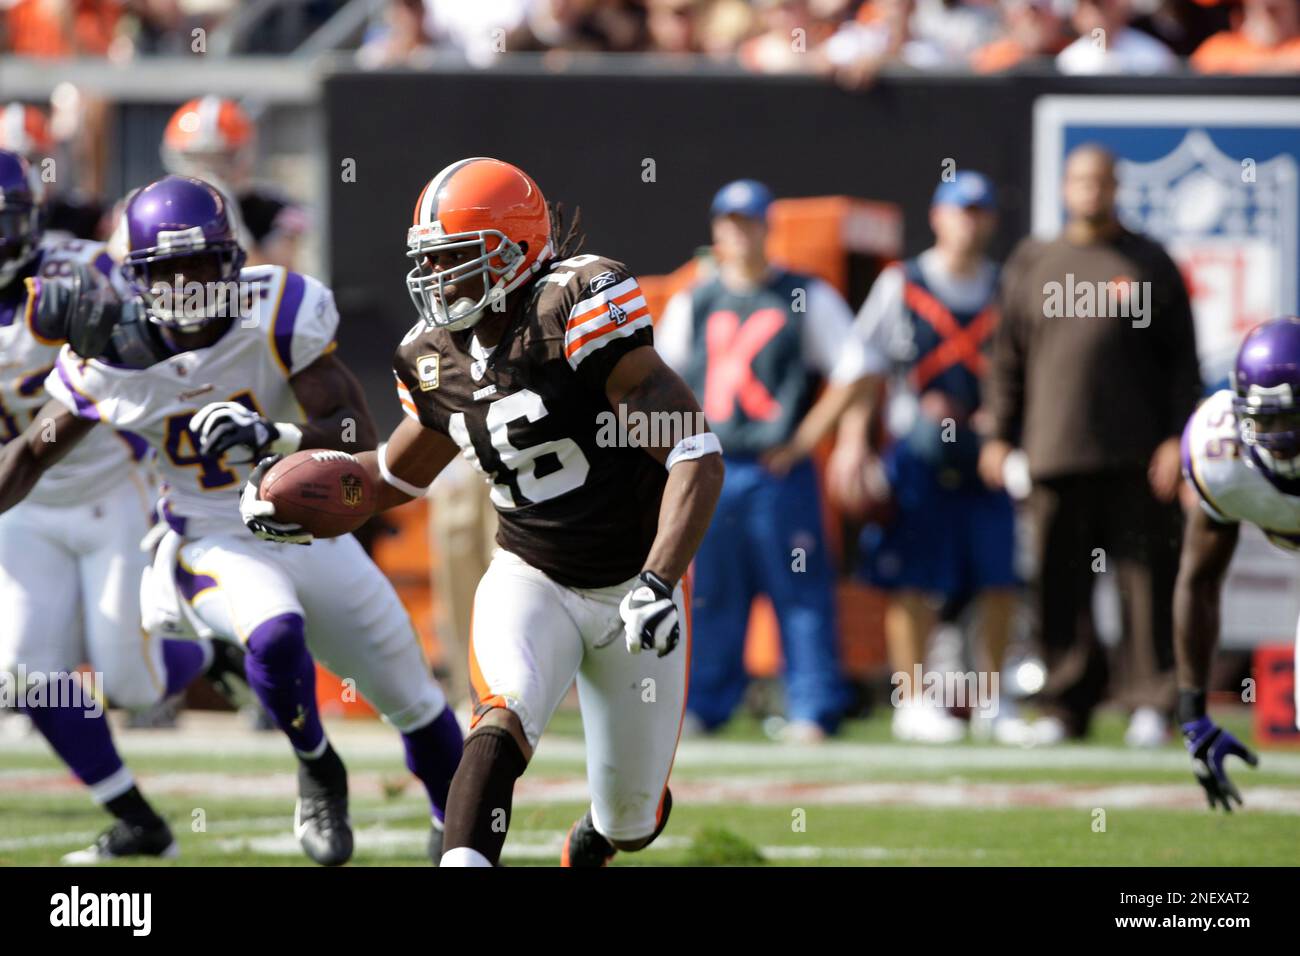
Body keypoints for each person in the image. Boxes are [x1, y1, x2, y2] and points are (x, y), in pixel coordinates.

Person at [240, 157, 725, 867]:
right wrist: (296, 489)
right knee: (502, 715)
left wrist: (658, 579)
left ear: (516, 251)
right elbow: (392, 479)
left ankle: (597, 835)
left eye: (456, 260)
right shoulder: (434, 357)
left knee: (632, 822)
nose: (438, 280)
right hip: (531, 573)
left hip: (632, 586)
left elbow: (694, 453)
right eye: (429, 261)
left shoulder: (575, 309)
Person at [0, 174, 463, 866]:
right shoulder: (111, 355)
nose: (187, 287)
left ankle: (451, 832)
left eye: (202, 267)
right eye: (168, 271)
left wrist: (273, 440)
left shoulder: (278, 311)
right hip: (210, 533)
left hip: (304, 525)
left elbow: (353, 435)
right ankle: (317, 765)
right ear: (137, 279)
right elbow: (32, 453)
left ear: (233, 264)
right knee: (275, 633)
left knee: (415, 701)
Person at [0, 151, 244, 862]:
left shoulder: (85, 271)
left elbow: (176, 332)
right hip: (24, 501)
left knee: (131, 683)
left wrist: (114, 322)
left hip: (110, 483)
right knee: (26, 670)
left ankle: (209, 647)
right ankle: (140, 822)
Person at [981, 144, 1202, 746]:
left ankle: (1151, 703)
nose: (1090, 190)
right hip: (1054, 453)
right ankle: (1063, 707)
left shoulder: (1150, 262)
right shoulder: (1034, 260)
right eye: (1080, 180)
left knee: (1146, 588)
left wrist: (1176, 441)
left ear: (1115, 186)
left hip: (1138, 459)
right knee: (1058, 590)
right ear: (1064, 187)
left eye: (1100, 181)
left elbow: (1184, 363)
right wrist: (999, 434)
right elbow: (1007, 358)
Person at [656, 178, 874, 743]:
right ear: (716, 231)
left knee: (799, 589)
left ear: (766, 227)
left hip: (779, 471)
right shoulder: (696, 298)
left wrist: (806, 438)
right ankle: (705, 703)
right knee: (712, 590)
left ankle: (813, 706)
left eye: (749, 222)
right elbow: (664, 380)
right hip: (716, 468)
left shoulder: (805, 293)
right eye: (729, 223)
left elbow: (855, 369)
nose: (739, 234)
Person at [832, 170, 1018, 744]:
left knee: (998, 578)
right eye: (959, 210)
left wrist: (1007, 432)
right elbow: (862, 368)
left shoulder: (1006, 287)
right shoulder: (902, 283)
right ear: (938, 217)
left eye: (979, 211)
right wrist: (853, 440)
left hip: (986, 455)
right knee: (909, 578)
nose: (969, 222)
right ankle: (911, 698)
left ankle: (993, 700)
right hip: (917, 454)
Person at [1172, 318, 1300, 810]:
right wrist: (1194, 716)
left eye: (1290, 418)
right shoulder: (1220, 457)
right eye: (1265, 421)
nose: (1279, 438)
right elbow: (1199, 581)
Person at [161, 96, 308, 271]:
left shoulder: (273, 207)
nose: (209, 169)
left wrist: (231, 223)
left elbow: (276, 280)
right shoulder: (160, 205)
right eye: (196, 158)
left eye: (220, 158)